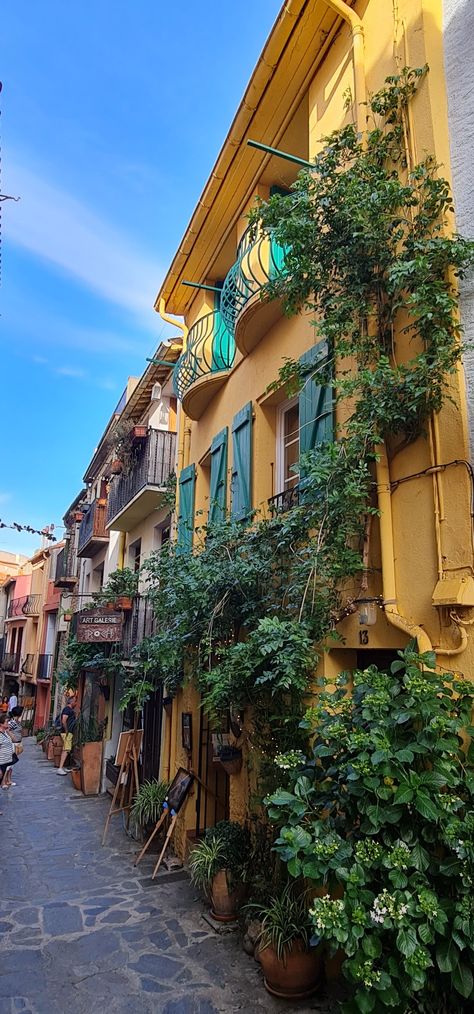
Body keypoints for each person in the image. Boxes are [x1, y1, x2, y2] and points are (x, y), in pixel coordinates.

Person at [2, 706, 23, 789]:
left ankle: (8, 780)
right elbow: (7, 730)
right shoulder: (12, 722)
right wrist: (12, 736)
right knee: (9, 764)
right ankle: (5, 781)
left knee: (12, 764)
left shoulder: (16, 721)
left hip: (17, 743)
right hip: (13, 744)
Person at [57, 693, 77, 776]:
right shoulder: (67, 709)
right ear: (71, 702)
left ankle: (62, 767)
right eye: (75, 701)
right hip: (67, 732)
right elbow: (64, 720)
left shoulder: (69, 710)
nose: (76, 703)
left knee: (66, 749)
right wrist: (66, 730)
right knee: (66, 749)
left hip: (68, 732)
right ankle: (60, 768)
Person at [0, 713, 14, 807]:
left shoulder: (5, 732)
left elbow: (14, 738)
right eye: (6, 722)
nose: (8, 723)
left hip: (6, 762)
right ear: (1, 723)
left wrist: (8, 731)